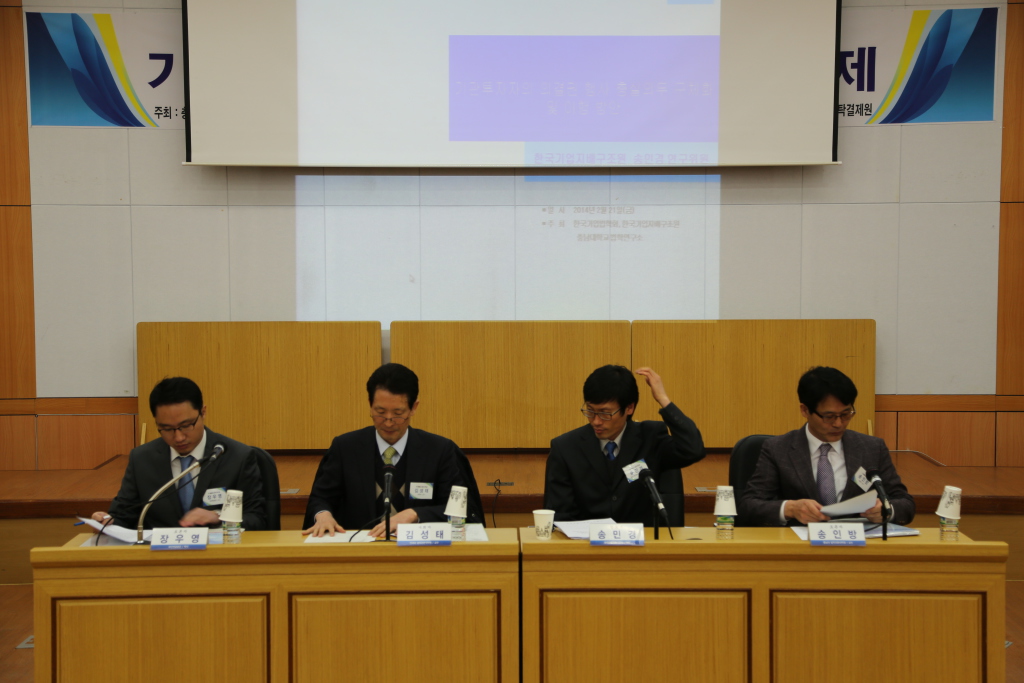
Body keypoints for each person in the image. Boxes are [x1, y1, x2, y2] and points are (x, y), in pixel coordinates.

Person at [303, 363, 466, 538]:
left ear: (414, 407)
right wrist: (323, 515)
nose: (388, 422)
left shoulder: (439, 451)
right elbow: (321, 498)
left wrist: (415, 514)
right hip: (358, 549)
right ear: (370, 404)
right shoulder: (345, 448)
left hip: (418, 550)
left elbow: (460, 510)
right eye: (380, 412)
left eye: (398, 413)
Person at [739, 366, 915, 526]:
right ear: (805, 410)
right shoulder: (778, 449)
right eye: (829, 416)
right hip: (800, 544)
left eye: (846, 414)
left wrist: (886, 509)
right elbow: (749, 505)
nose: (838, 424)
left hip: (859, 543)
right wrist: (790, 509)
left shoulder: (872, 448)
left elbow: (904, 502)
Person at [91, 377, 267, 531]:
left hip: (216, 554)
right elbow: (123, 515)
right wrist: (107, 522)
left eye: (186, 426)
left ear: (203, 412)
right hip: (159, 555)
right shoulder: (142, 459)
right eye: (167, 429)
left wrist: (218, 518)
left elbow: (258, 520)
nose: (178, 437)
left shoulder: (237, 456)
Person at [543, 365, 705, 524]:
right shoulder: (565, 448)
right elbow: (560, 515)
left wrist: (663, 399)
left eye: (605, 413)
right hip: (587, 539)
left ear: (629, 408)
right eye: (590, 411)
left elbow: (693, 450)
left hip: (642, 539)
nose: (596, 421)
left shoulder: (651, 438)